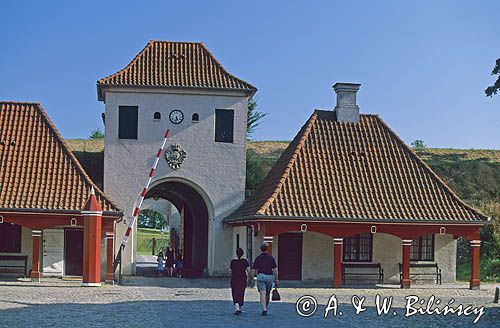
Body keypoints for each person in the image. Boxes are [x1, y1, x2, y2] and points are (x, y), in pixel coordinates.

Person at [252, 242, 278, 316]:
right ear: (267, 249)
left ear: (261, 249)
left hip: (261, 276)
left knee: (262, 293)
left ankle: (264, 309)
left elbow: (254, 269)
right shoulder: (271, 258)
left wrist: (252, 278)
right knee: (267, 293)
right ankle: (265, 306)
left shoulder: (258, 258)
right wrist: (276, 279)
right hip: (270, 276)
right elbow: (275, 269)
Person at [230, 248, 251, 315]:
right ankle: (240, 307)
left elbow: (230, 270)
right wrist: (250, 278)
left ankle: (237, 307)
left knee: (235, 292)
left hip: (234, 279)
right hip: (242, 279)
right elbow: (248, 270)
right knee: (241, 292)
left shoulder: (233, 261)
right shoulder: (245, 261)